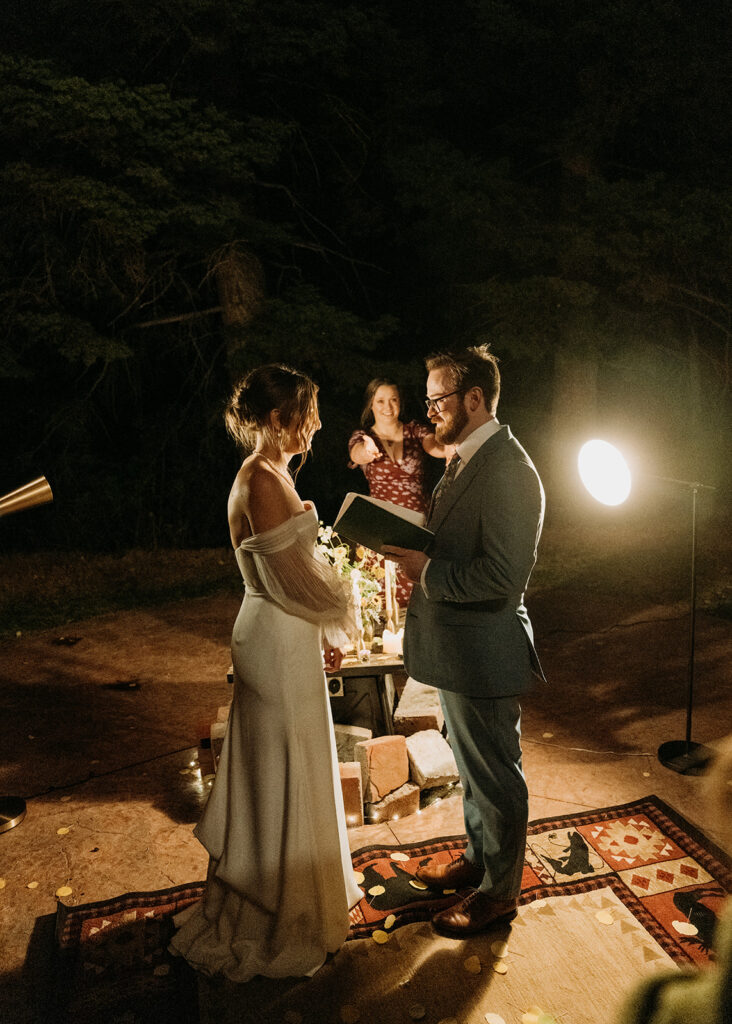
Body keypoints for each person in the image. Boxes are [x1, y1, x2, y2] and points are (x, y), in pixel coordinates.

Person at [169, 364, 362, 981]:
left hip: (282, 632)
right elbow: (297, 581)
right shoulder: (262, 479)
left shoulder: (272, 474)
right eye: (308, 413)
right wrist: (346, 604)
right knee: (283, 770)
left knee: (292, 765)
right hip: (275, 637)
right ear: (278, 420)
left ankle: (287, 900)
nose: (320, 424)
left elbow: (292, 570)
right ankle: (278, 921)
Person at [384, 344, 545, 937]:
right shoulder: (466, 457)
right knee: (474, 771)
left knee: (497, 776)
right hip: (459, 651)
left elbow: (503, 578)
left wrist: (424, 571)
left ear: (474, 398)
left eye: (438, 400)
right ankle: (480, 863)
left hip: (485, 651)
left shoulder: (509, 469)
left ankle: (499, 894)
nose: (430, 412)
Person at [348, 377, 452, 604]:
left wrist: (449, 445)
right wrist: (366, 450)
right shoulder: (363, 437)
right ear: (371, 405)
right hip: (380, 532)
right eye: (381, 401)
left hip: (417, 528)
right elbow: (357, 454)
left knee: (420, 597)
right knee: (382, 601)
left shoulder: (414, 430)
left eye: (393, 400)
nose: (388, 407)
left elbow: (434, 446)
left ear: (400, 403)